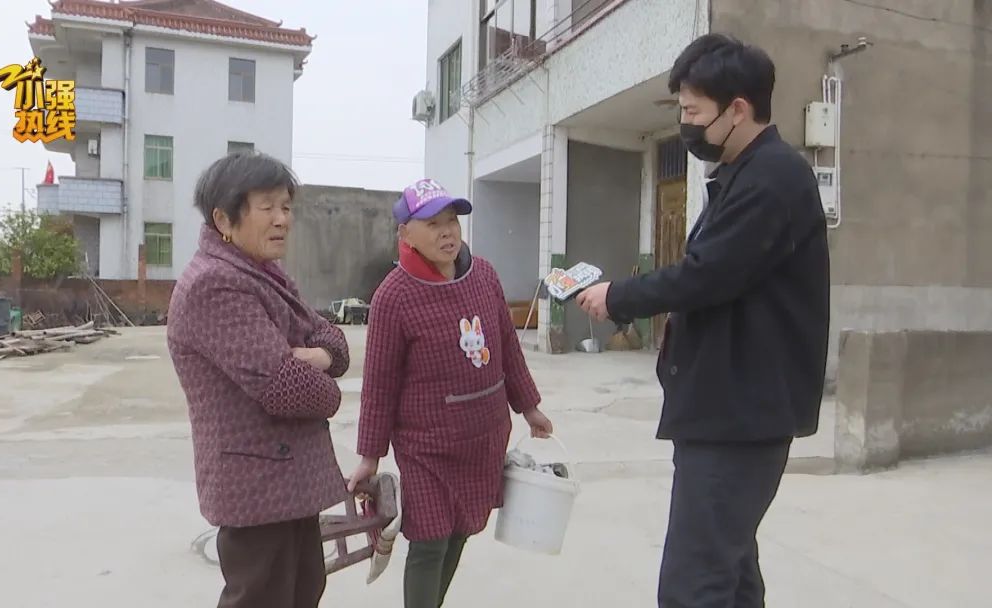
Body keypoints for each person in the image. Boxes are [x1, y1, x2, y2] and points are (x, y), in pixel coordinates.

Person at [576, 34, 830, 608]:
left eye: (693, 112)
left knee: (694, 585)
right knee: (731, 574)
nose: (685, 125)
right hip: (724, 411)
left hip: (739, 419)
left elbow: (708, 275)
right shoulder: (743, 174)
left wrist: (619, 297)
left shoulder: (773, 179)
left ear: (737, 109)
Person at [347, 178, 554, 608]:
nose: (447, 232)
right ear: (406, 233)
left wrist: (529, 407)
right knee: (429, 539)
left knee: (460, 530)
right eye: (433, 224)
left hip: (483, 437)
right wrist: (370, 455)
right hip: (427, 447)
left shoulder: (485, 276)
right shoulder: (393, 297)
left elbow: (507, 347)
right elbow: (379, 385)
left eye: (452, 221)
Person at [166, 152, 350, 608]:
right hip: (256, 487)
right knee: (262, 598)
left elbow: (331, 336)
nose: (282, 219)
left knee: (303, 590)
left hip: (289, 483)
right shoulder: (215, 285)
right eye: (267, 207)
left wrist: (321, 355)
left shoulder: (263, 272)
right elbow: (284, 386)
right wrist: (331, 389)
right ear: (224, 219)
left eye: (286, 207)